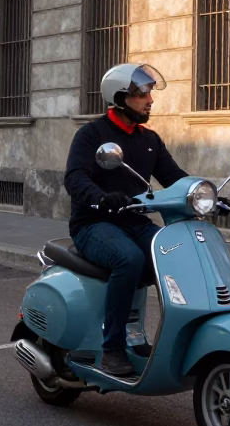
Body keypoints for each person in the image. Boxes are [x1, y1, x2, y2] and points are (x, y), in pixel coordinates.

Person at [63, 63, 188, 376]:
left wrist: (205, 193)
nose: (150, 100)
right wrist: (101, 198)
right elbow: (75, 178)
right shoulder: (92, 135)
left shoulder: (149, 139)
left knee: (173, 254)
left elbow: (174, 177)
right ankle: (113, 348)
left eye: (148, 93)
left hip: (133, 222)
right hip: (93, 224)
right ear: (119, 97)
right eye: (142, 94)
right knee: (129, 260)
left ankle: (151, 335)